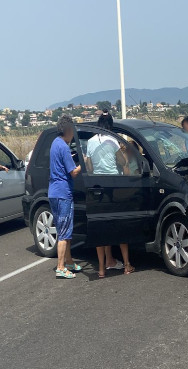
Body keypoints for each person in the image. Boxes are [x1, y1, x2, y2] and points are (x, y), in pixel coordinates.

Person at [86, 111, 135, 278]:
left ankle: (101, 268)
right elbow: (122, 162)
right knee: (120, 226)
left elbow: (89, 167)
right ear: (110, 126)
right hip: (114, 185)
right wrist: (123, 156)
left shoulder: (90, 142)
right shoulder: (113, 140)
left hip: (97, 187)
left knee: (101, 228)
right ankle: (127, 265)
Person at [49, 114, 82, 279]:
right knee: (64, 233)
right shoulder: (64, 147)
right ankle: (61, 267)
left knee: (65, 230)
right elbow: (73, 172)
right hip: (63, 193)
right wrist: (84, 163)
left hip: (53, 192)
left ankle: (68, 262)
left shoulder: (55, 143)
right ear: (68, 130)